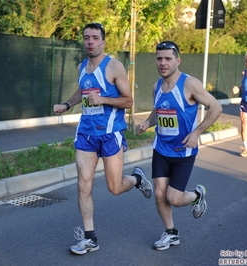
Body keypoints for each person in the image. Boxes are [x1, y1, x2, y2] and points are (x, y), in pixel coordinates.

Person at [53, 22, 153, 255]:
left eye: (95, 38)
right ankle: (90, 238)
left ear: (103, 41)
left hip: (110, 134)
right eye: (86, 37)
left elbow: (129, 101)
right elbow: (83, 91)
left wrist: (104, 100)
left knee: (115, 187)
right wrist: (67, 104)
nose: (90, 42)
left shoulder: (114, 67)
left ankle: (137, 180)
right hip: (86, 134)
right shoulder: (81, 67)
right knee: (83, 183)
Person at [136, 41, 222, 251]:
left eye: (168, 59)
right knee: (159, 194)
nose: (163, 63)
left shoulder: (189, 84)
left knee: (173, 198)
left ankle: (196, 196)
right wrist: (148, 122)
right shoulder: (156, 86)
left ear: (177, 60)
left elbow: (216, 107)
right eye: (159, 59)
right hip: (161, 149)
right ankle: (171, 232)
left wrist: (197, 132)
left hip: (184, 151)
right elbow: (159, 110)